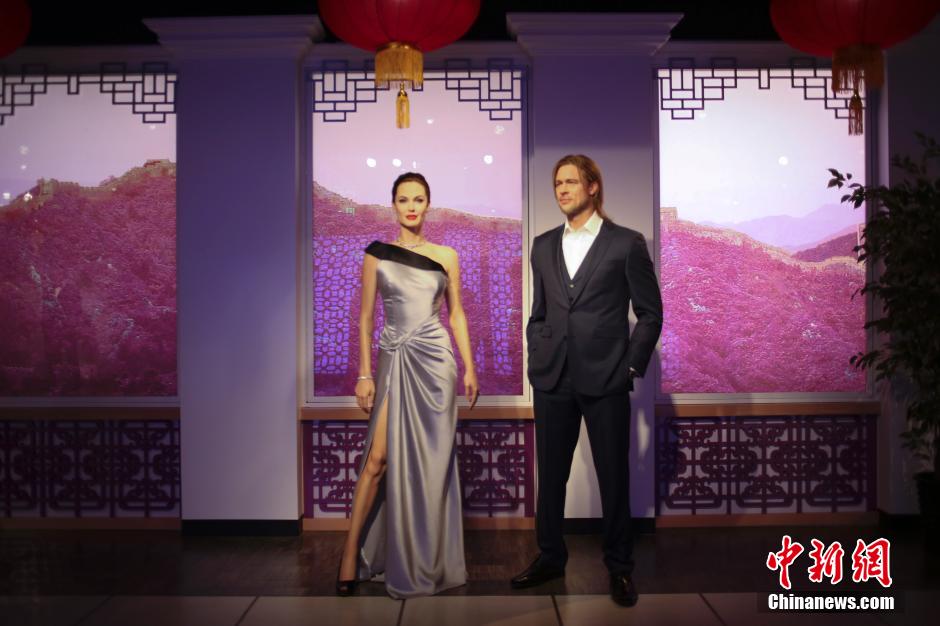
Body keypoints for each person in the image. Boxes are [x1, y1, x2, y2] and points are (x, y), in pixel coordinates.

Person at [510, 155, 663, 607]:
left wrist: (630, 367)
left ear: (593, 186)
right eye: (557, 183)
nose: (562, 189)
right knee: (551, 475)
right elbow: (539, 313)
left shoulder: (625, 243)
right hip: (552, 377)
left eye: (571, 182)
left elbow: (650, 313)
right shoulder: (542, 245)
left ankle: (619, 568)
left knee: (613, 476)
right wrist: (536, 350)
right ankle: (550, 557)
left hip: (607, 377)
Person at [336, 172, 479, 599]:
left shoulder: (446, 255)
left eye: (418, 199)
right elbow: (365, 318)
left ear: (428, 204)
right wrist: (364, 374)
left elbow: (456, 315)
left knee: (431, 465)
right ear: (393, 205)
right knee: (377, 459)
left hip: (435, 364)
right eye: (404, 199)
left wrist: (469, 368)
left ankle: (424, 561)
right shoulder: (377, 254)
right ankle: (349, 554)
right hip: (394, 359)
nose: (411, 206)